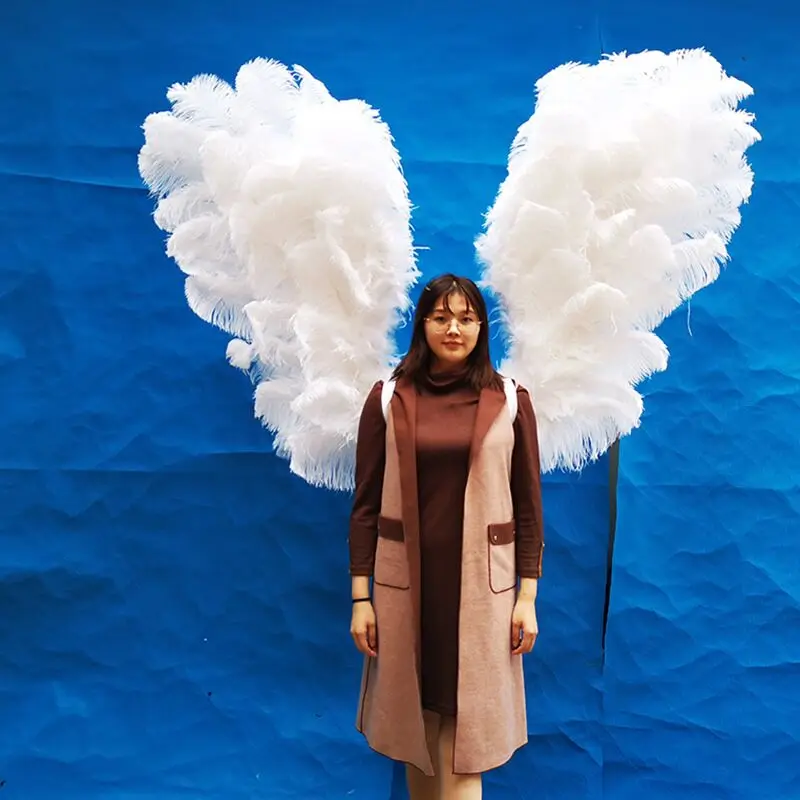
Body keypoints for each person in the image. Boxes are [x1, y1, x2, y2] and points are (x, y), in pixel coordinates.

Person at [348, 273, 545, 799]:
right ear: (423, 324)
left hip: (482, 593)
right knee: (418, 731)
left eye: (465, 317)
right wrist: (360, 597)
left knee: (466, 738)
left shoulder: (509, 399)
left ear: (481, 326)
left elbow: (528, 508)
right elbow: (365, 504)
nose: (452, 328)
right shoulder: (388, 397)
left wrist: (526, 597)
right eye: (440, 317)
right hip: (405, 589)